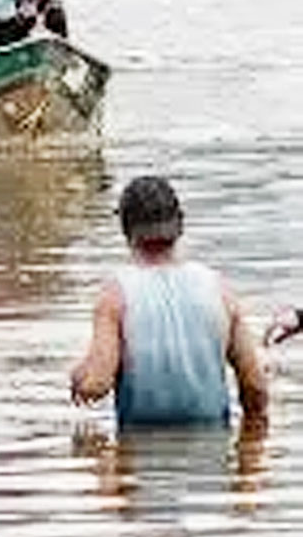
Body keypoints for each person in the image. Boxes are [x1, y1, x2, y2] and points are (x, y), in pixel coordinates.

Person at [70, 176, 267, 431]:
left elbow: (96, 385)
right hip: (213, 456)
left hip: (138, 454)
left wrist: (80, 374)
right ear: (180, 224)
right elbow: (255, 387)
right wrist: (251, 444)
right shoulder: (219, 289)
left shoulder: (115, 296)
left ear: (126, 230)